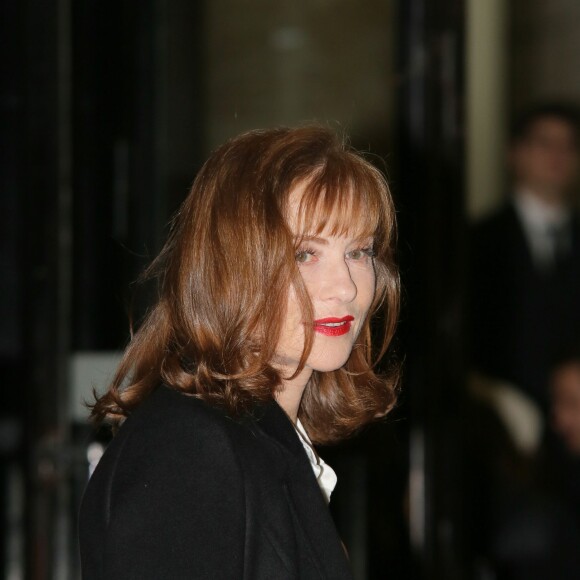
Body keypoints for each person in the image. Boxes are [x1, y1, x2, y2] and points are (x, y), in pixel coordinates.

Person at [78, 126, 400, 579]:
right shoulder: (192, 447)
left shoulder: (262, 442)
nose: (344, 288)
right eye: (304, 254)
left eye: (358, 252)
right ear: (231, 266)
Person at [470, 102, 580, 412]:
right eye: (544, 143)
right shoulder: (477, 242)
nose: (557, 156)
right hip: (500, 420)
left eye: (569, 145)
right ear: (514, 153)